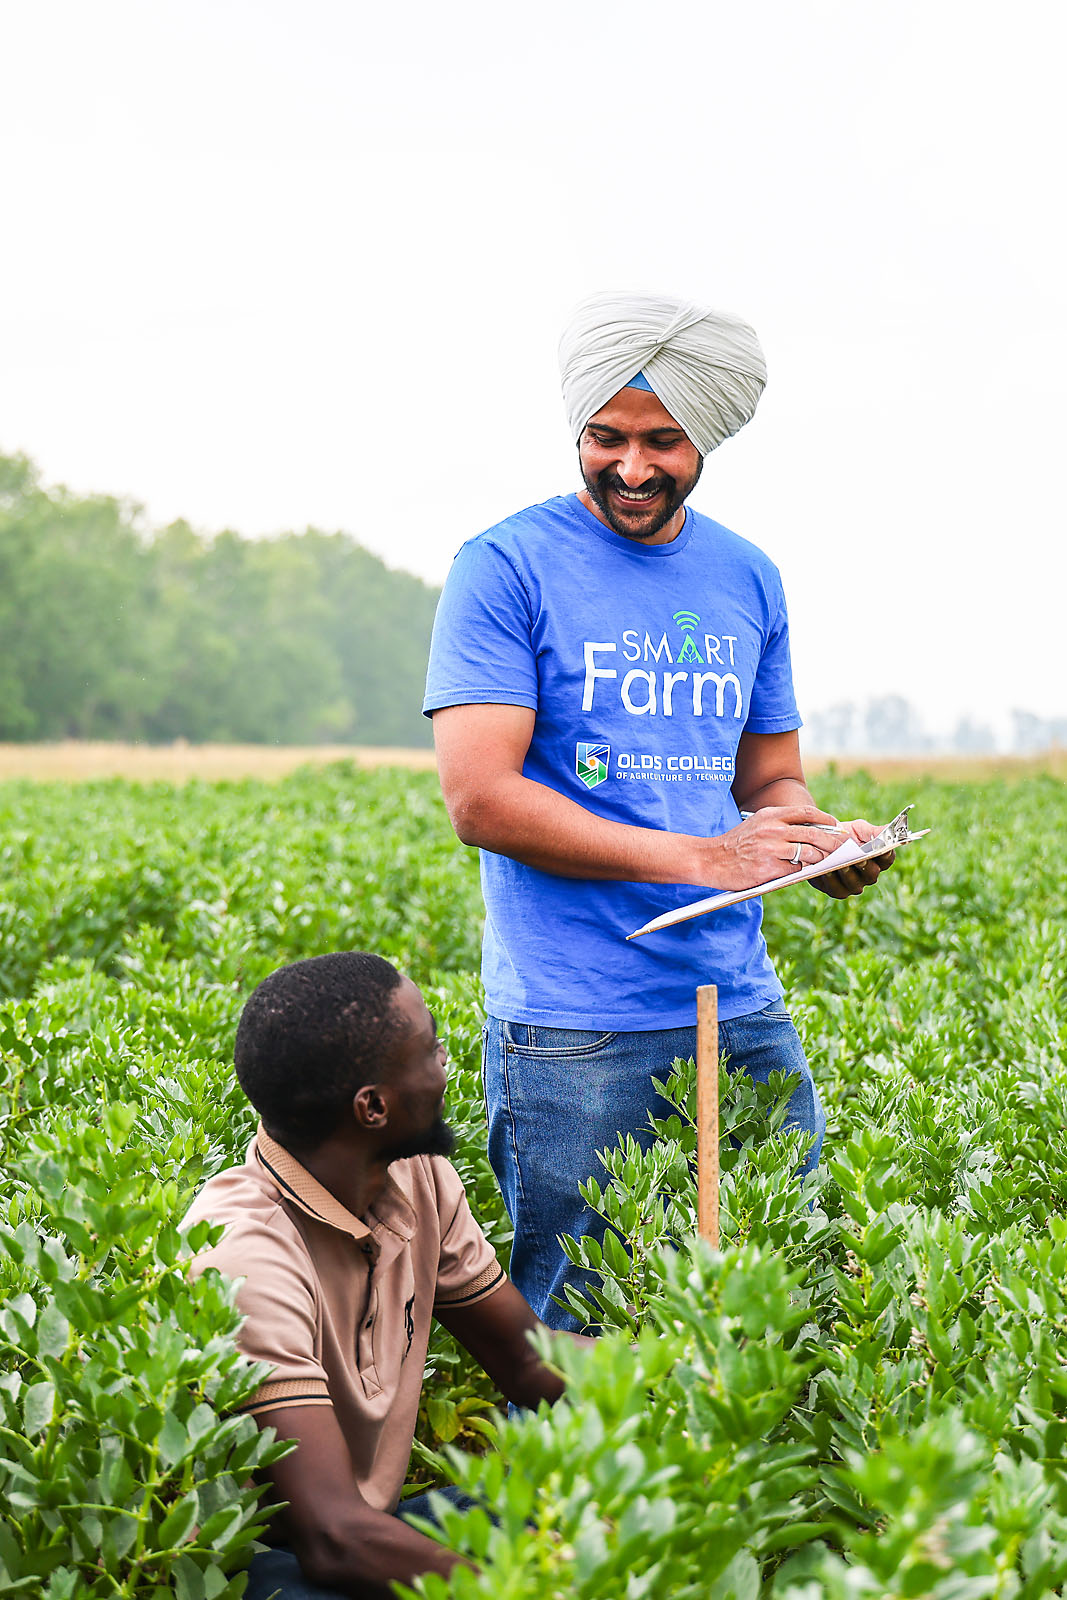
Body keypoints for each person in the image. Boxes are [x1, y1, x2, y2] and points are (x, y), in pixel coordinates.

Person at [422, 290, 895, 1331]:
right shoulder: (502, 568)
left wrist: (812, 845)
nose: (630, 468)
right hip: (574, 1026)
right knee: (580, 1333)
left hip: (737, 1000)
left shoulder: (745, 577)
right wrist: (700, 858)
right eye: (604, 438)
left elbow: (769, 783)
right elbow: (480, 798)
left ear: (705, 442)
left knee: (777, 1306)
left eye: (660, 443)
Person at [183, 951, 575, 1600]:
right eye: (429, 1050)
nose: (445, 1063)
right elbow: (331, 1537)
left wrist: (681, 1365)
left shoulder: (415, 1174)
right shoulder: (243, 1249)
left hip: (372, 1525)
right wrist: (529, 1585)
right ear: (372, 1107)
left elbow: (526, 1361)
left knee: (568, 1518)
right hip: (273, 1559)